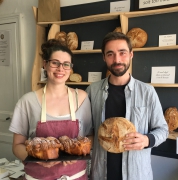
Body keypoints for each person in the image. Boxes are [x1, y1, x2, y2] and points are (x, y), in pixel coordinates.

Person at [86, 32, 169, 180]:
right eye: (110, 54)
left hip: (136, 174)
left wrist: (147, 140)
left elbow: (163, 130)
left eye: (122, 53)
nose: (117, 59)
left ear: (131, 54)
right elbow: (86, 130)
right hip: (100, 173)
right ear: (104, 57)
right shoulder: (92, 91)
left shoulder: (147, 92)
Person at [9, 39, 92, 180]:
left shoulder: (82, 98)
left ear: (71, 68)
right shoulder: (27, 101)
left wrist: (76, 153)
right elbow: (17, 146)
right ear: (45, 64)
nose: (61, 69)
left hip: (75, 177)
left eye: (66, 64)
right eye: (55, 63)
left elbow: (90, 137)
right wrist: (37, 158)